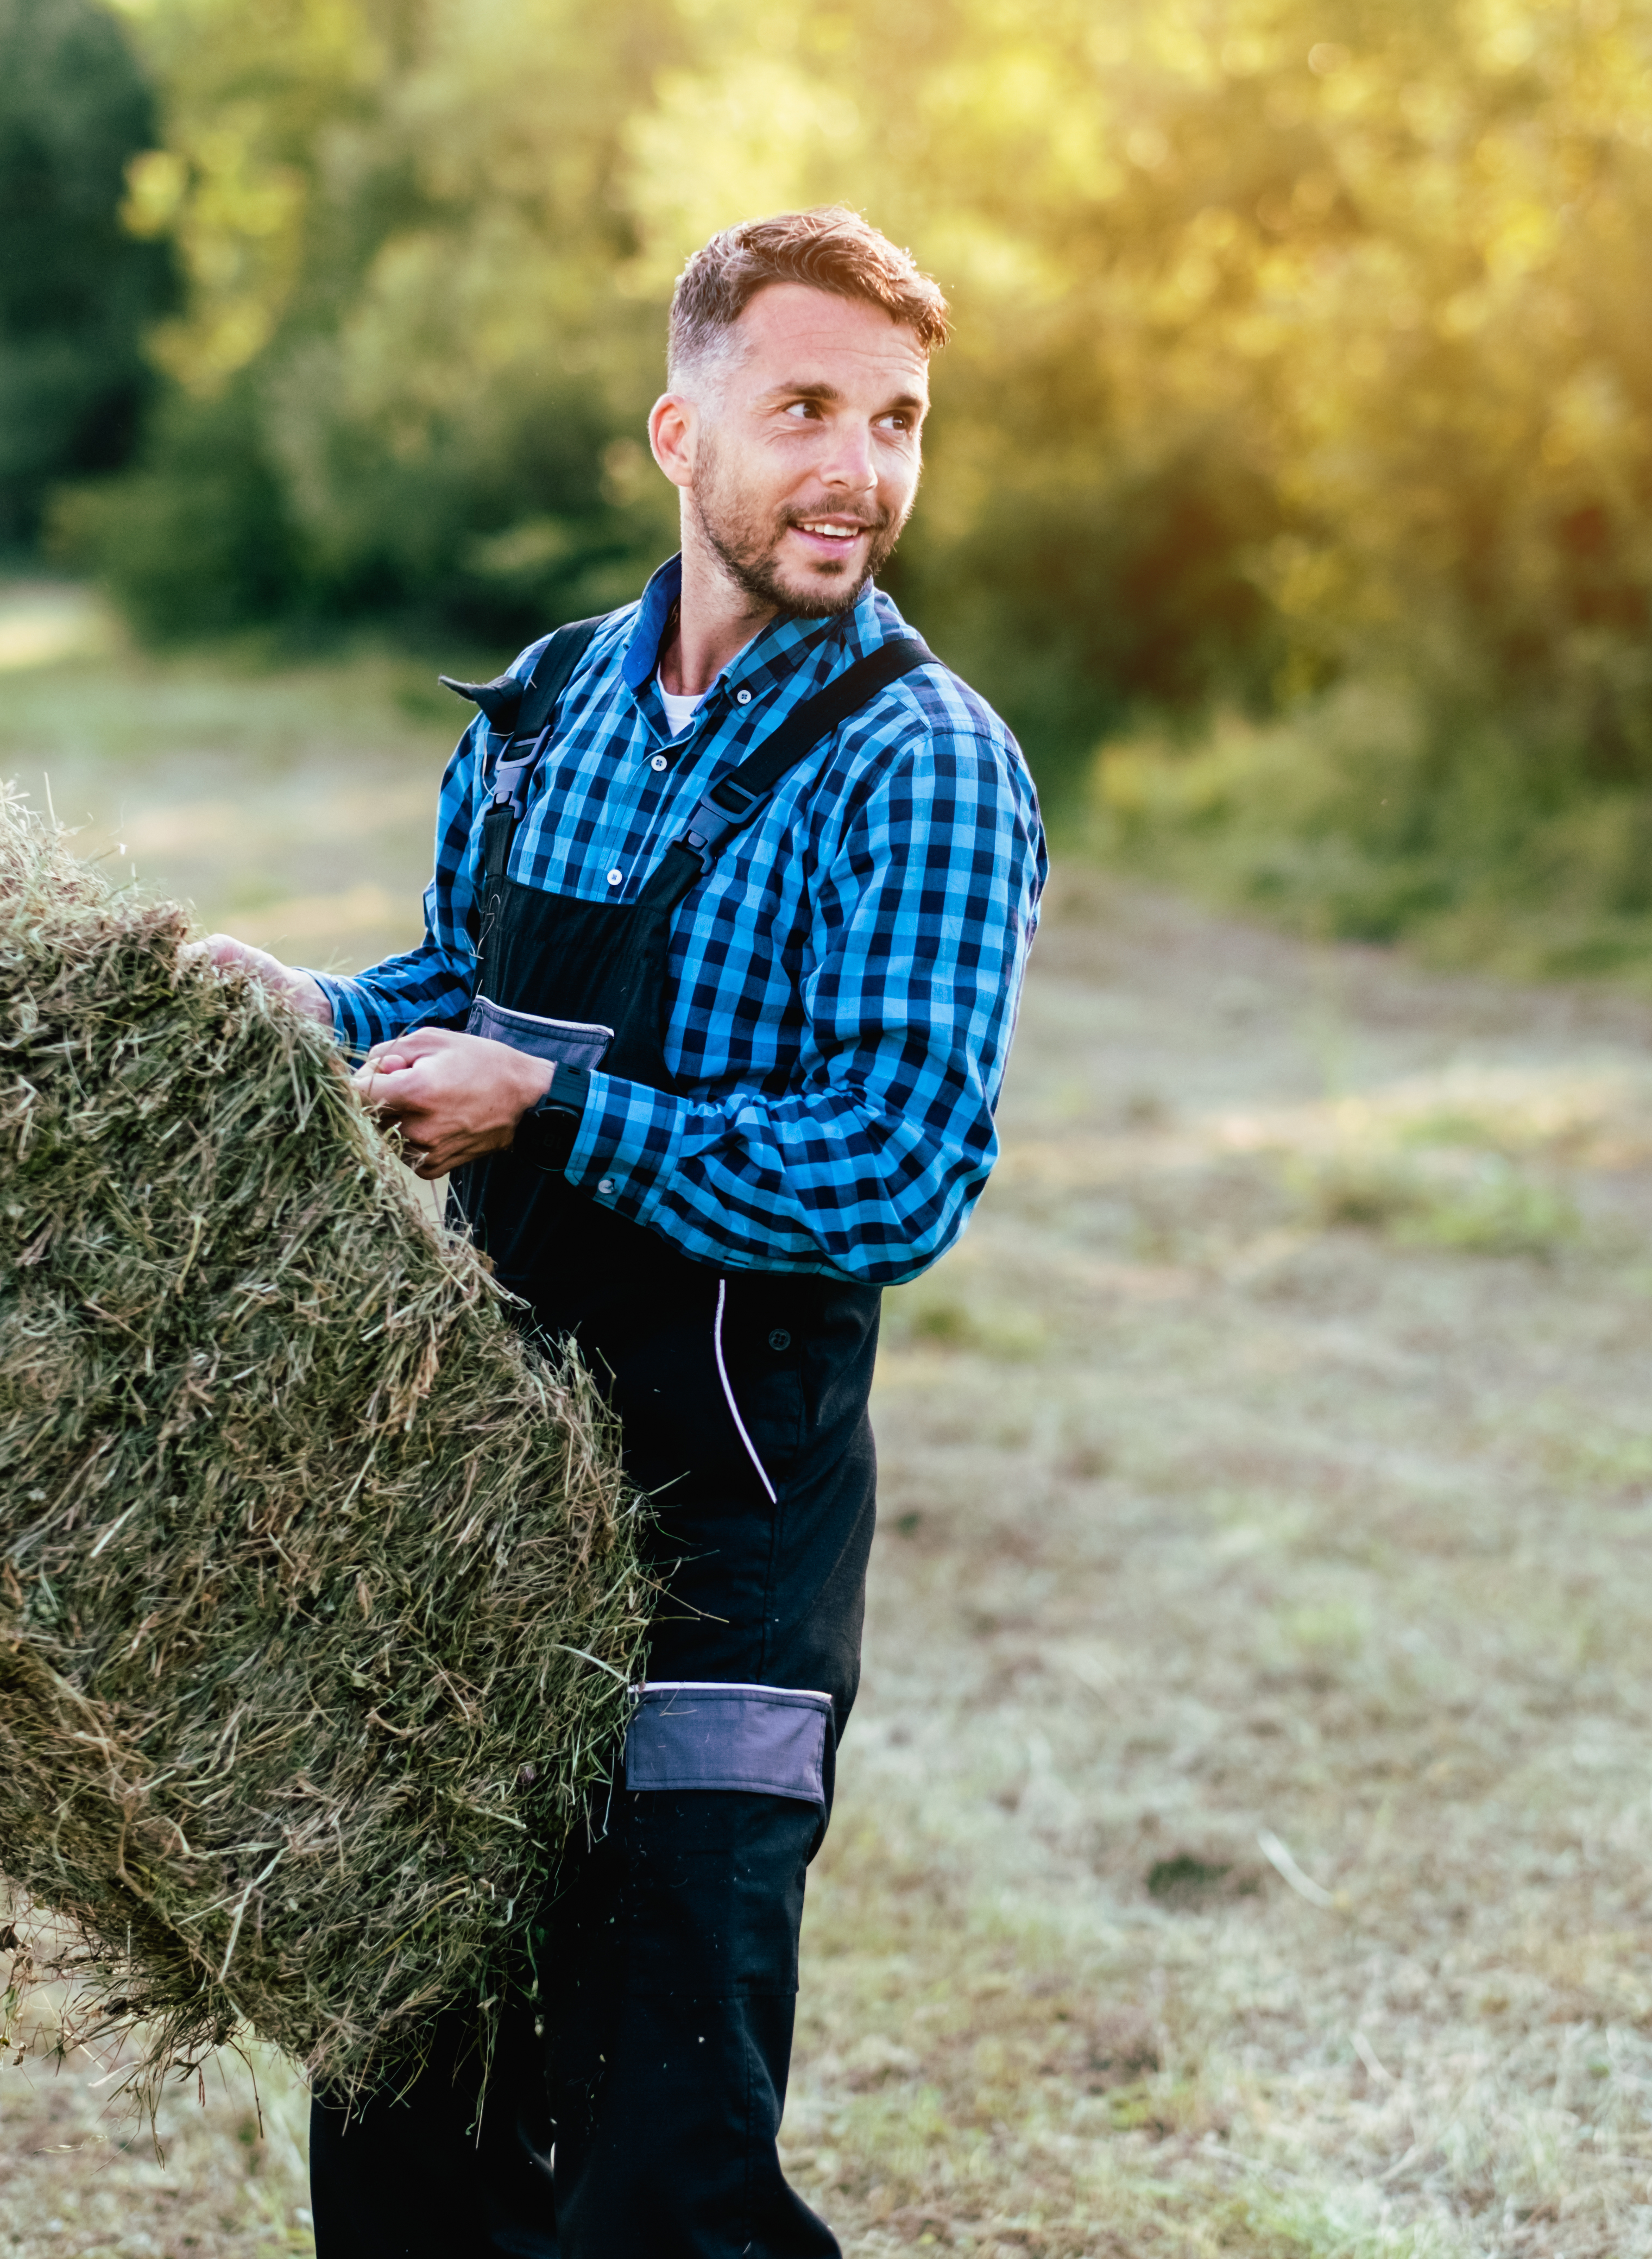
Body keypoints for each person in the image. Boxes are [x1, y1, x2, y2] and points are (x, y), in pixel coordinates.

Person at [187, 206, 1046, 2256]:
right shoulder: (550, 706)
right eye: (807, 408)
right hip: (467, 1500)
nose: (858, 466)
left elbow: (897, 1166)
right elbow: (454, 990)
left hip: (724, 1527)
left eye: (899, 419)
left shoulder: (925, 767)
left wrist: (553, 1111)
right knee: (405, 2127)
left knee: (663, 2176)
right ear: (682, 434)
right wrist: (313, 1015)